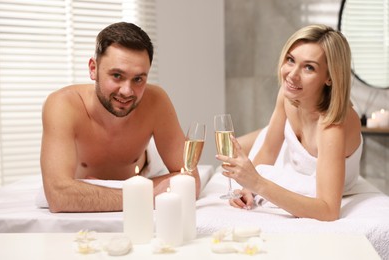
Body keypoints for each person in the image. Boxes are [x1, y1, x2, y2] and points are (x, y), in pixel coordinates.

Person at [40, 22, 200, 213]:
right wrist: (143, 195)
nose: (127, 91)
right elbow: (59, 197)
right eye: (117, 75)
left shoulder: (156, 101)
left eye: (138, 79)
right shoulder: (63, 105)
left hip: (146, 171)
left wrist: (107, 193)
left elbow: (190, 179)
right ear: (93, 69)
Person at [216, 24, 362, 221]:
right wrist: (247, 188)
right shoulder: (287, 98)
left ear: (329, 77)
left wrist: (257, 183)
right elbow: (268, 150)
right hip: (285, 149)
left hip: (301, 158)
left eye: (309, 67)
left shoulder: (332, 125)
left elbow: (328, 210)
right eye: (291, 60)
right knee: (231, 151)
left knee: (249, 163)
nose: (292, 75)